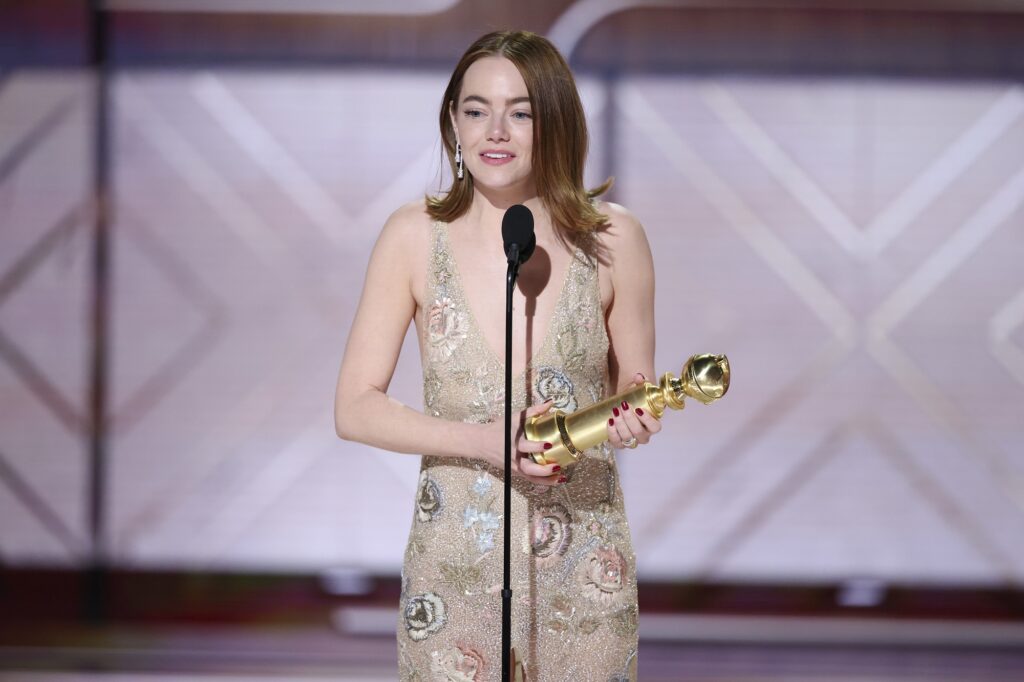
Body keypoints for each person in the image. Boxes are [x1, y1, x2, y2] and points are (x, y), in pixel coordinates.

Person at [335, 30, 660, 681]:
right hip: (455, 566)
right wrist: (483, 441)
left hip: (583, 570)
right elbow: (355, 408)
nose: (496, 131)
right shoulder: (413, 236)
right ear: (454, 122)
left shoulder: (613, 240)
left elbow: (635, 390)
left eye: (520, 112)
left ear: (555, 123)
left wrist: (635, 418)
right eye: (476, 109)